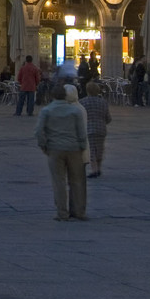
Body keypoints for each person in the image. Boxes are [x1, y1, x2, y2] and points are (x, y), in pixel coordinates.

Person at [35, 84, 89, 221]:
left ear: (53, 95)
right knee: (76, 181)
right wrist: (82, 146)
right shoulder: (75, 111)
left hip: (55, 149)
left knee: (59, 181)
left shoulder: (47, 111)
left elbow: (39, 131)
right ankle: (79, 212)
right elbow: (82, 132)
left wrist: (44, 146)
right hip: (74, 148)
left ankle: (62, 213)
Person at [80, 80, 112, 178]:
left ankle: (94, 170)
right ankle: (99, 168)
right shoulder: (103, 102)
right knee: (100, 149)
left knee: (92, 150)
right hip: (101, 129)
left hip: (89, 129)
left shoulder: (83, 102)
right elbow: (108, 118)